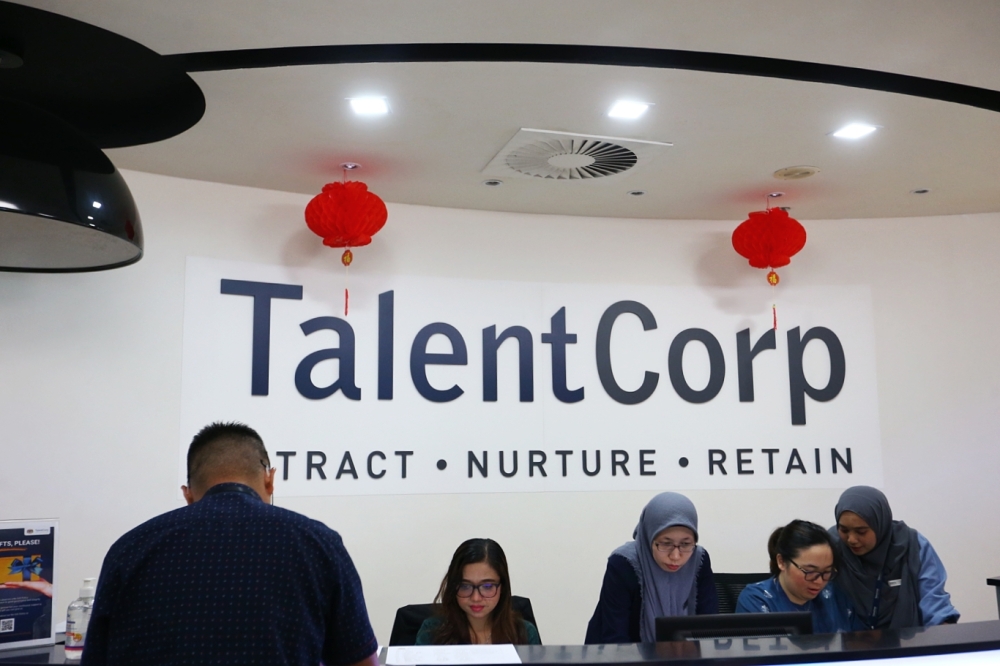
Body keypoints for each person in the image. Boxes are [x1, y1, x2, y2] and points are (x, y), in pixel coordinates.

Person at [81, 422, 379, 666]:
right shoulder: (318, 543)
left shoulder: (130, 549)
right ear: (270, 480)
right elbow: (360, 661)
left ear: (188, 494)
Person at [585, 492, 717, 644]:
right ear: (648, 537)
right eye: (665, 544)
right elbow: (615, 638)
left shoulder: (698, 559)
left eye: (686, 544)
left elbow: (709, 627)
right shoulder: (623, 563)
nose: (675, 556)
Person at [831, 485, 959, 629]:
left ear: (880, 524)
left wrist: (945, 634)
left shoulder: (912, 545)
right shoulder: (830, 547)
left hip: (907, 644)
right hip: (845, 646)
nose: (851, 539)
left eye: (861, 531)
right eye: (844, 530)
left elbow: (933, 599)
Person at [415, 538, 540, 645]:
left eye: (487, 586)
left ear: (502, 587)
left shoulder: (524, 633)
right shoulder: (432, 631)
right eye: (465, 586)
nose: (476, 598)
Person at [736, 519, 852, 633]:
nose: (819, 581)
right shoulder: (756, 601)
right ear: (781, 562)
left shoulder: (834, 595)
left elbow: (859, 643)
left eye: (827, 571)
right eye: (809, 571)